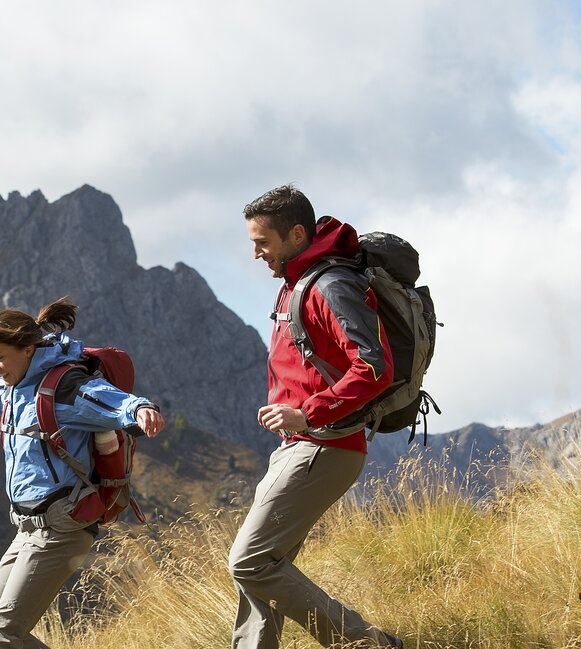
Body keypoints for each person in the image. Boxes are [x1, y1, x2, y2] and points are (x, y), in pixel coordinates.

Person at [0, 297, 165, 649]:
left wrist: (140, 408)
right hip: (27, 529)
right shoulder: (13, 388)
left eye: (0, 357)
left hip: (61, 527)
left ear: (29, 349)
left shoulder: (64, 388)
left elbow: (107, 398)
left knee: (1, 633)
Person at [230, 185, 403, 649]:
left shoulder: (330, 285)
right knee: (266, 567)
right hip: (301, 444)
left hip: (324, 445)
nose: (255, 254)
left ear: (297, 234)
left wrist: (306, 413)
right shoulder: (296, 283)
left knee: (250, 561)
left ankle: (367, 643)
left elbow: (374, 366)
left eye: (262, 242)